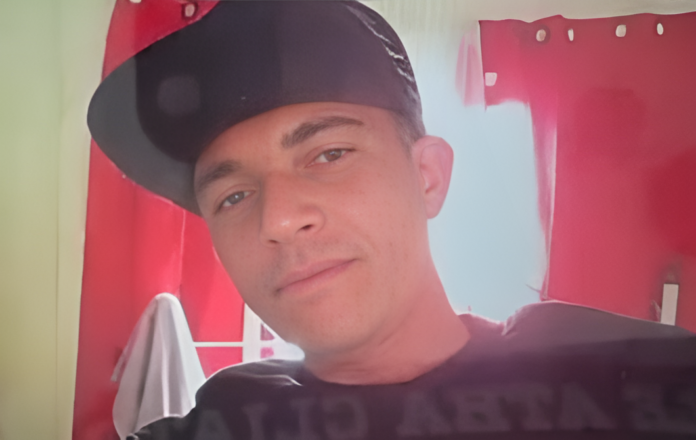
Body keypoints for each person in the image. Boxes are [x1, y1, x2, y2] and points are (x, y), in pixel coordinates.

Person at [88, 2, 696, 439]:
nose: (279, 218)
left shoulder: (634, 382)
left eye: (329, 155)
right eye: (234, 196)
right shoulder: (222, 420)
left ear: (427, 176)